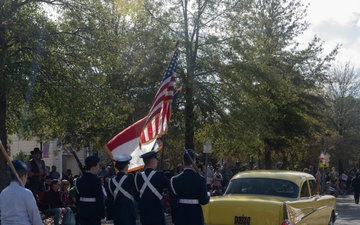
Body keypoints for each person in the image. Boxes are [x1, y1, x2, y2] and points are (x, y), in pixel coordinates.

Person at [169, 149, 210, 225]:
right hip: (196, 213)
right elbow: (203, 201)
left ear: (183, 161)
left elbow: (173, 202)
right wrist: (208, 195)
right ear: (194, 160)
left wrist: (175, 218)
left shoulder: (175, 180)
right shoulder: (200, 179)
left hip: (181, 212)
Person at [0, 160, 43, 225]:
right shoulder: (26, 193)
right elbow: (34, 216)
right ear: (23, 177)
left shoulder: (3, 193)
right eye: (26, 176)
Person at [134, 150, 170, 225]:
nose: (157, 161)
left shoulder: (137, 177)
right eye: (156, 159)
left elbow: (136, 197)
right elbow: (170, 187)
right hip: (157, 211)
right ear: (152, 161)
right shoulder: (159, 175)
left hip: (144, 212)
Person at [75, 156, 105, 225]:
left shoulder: (78, 180)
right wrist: (102, 215)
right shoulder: (96, 180)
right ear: (92, 167)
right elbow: (99, 198)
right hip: (93, 210)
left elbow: (77, 198)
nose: (98, 168)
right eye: (97, 165)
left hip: (82, 209)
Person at [108, 154, 136, 225]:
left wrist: (110, 216)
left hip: (116, 214)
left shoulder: (110, 181)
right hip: (129, 213)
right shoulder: (130, 178)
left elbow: (110, 200)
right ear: (126, 166)